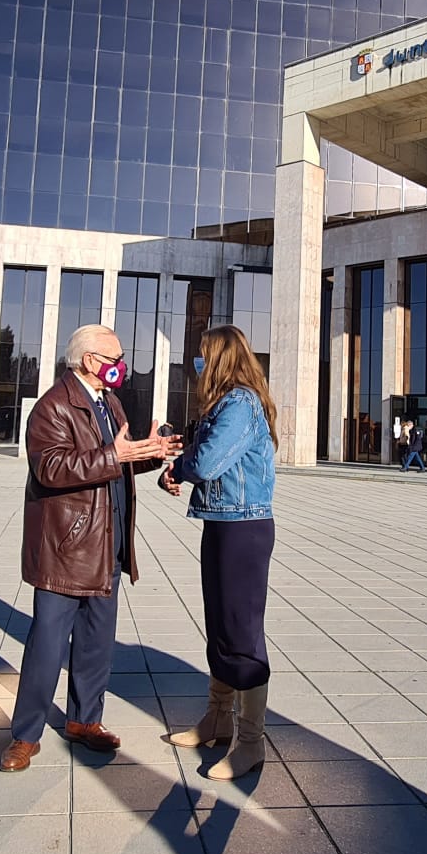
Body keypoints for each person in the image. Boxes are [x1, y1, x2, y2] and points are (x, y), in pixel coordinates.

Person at [1, 324, 178, 773]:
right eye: (113, 358)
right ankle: (25, 735)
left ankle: (84, 721)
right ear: (87, 360)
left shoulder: (110, 402)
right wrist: (116, 457)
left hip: (107, 545)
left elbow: (114, 462)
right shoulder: (52, 407)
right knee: (47, 644)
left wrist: (149, 453)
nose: (120, 367)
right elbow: (52, 469)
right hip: (66, 547)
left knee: (97, 644)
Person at [157, 325, 277, 779]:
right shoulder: (225, 404)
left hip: (244, 529)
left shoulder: (241, 403)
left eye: (203, 355)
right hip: (223, 523)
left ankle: (250, 743)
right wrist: (177, 469)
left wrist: (183, 467)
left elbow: (206, 462)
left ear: (222, 358)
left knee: (242, 632)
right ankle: (217, 720)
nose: (198, 364)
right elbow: (204, 458)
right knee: (220, 626)